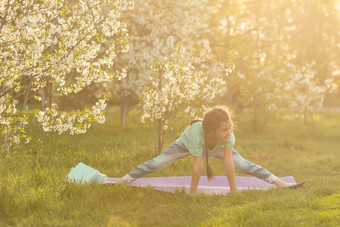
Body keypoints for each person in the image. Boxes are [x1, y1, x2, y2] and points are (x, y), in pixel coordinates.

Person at [116, 107, 297, 194]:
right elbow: (197, 167)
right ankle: (125, 179)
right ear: (211, 130)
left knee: (243, 164)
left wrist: (234, 191)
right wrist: (192, 195)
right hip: (186, 144)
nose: (228, 132)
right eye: (224, 129)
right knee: (158, 163)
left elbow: (229, 163)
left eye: (230, 128)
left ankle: (277, 181)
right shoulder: (198, 134)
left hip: (215, 146)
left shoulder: (227, 136)